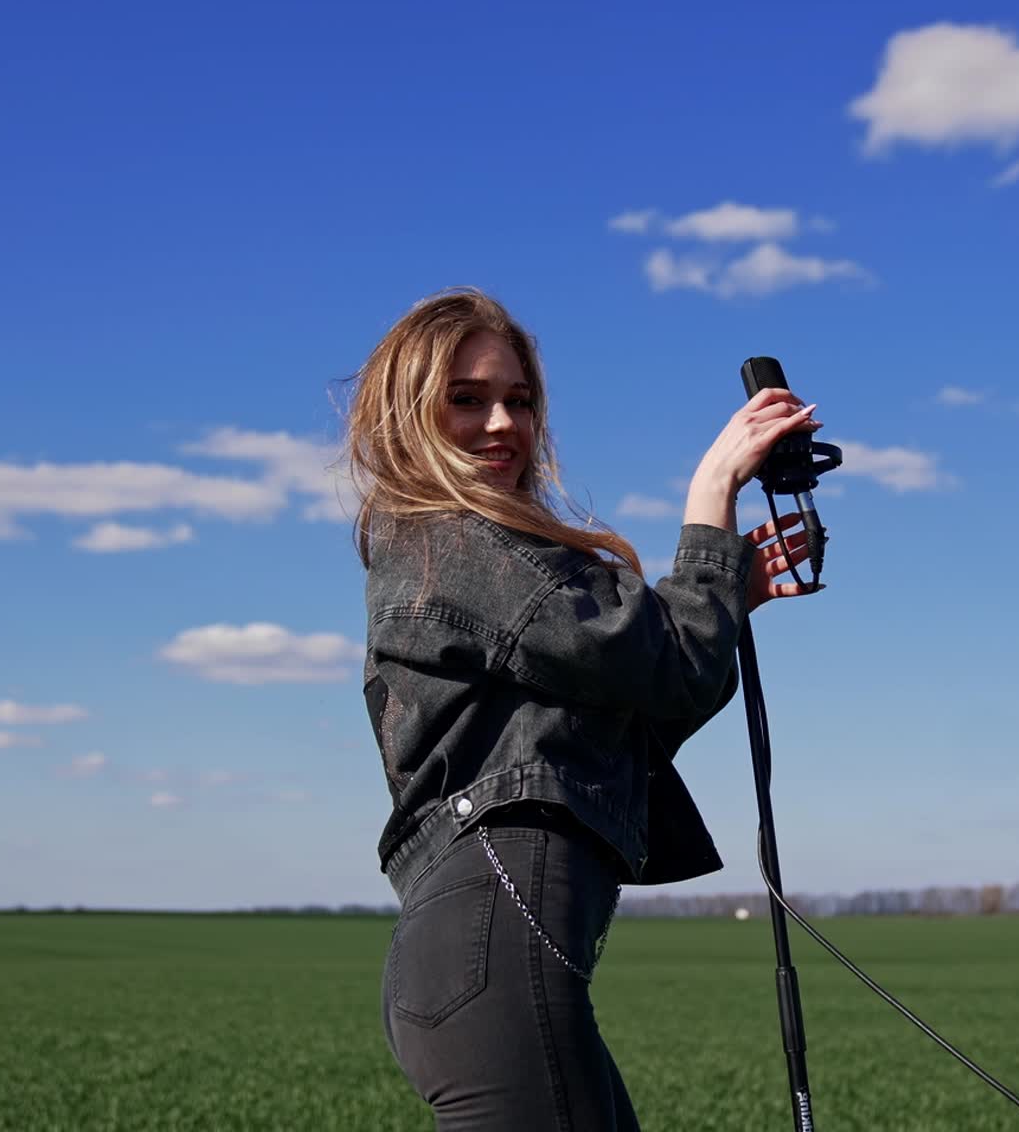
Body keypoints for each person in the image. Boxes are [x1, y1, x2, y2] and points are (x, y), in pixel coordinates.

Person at [344, 287, 826, 1131]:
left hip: (485, 952)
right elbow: (652, 665)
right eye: (466, 399)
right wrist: (713, 492)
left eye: (519, 400)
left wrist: (726, 596)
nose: (502, 422)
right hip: (496, 940)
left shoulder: (452, 550)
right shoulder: (453, 539)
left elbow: (628, 719)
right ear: (406, 414)